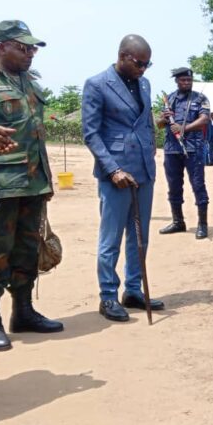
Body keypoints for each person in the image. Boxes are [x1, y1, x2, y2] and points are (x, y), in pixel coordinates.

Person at [0, 20, 63, 351]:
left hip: (33, 182)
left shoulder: (27, 80)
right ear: (1, 47)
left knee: (27, 249)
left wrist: (45, 179)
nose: (31, 54)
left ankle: (23, 312)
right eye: (24, 47)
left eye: (33, 49)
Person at [82, 34, 165, 322]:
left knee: (140, 237)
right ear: (123, 57)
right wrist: (112, 169)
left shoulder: (144, 83)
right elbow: (90, 133)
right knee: (111, 239)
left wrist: (153, 142)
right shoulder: (96, 84)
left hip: (144, 170)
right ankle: (108, 296)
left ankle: (133, 290)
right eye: (140, 63)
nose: (144, 69)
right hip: (116, 174)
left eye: (148, 64)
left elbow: (144, 121)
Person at [156, 67, 211, 239]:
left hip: (193, 148)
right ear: (177, 81)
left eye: (189, 80)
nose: (186, 83)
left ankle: (202, 224)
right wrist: (165, 119)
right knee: (173, 186)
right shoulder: (170, 98)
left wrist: (184, 128)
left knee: (198, 185)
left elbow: (205, 119)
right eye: (183, 80)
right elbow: (158, 124)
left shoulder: (200, 98)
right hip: (172, 149)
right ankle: (178, 221)